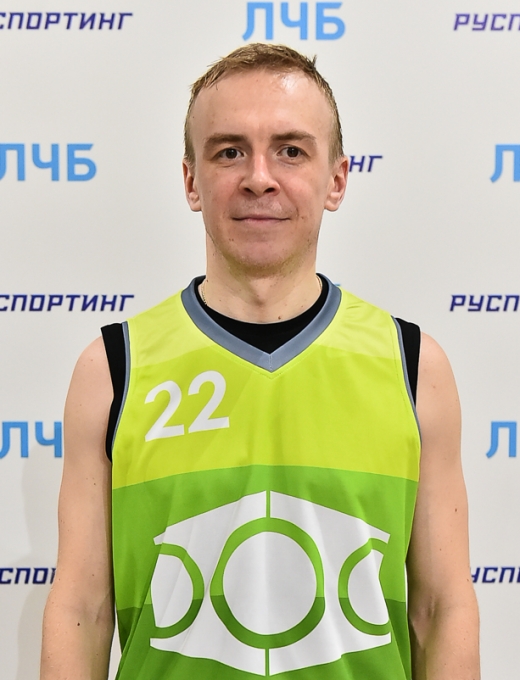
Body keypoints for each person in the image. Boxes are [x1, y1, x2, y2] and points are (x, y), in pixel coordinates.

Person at [40, 43, 480, 680]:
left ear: (337, 180)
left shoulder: (414, 366)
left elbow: (442, 610)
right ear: (191, 181)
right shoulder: (113, 368)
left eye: (291, 150)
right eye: (229, 152)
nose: (259, 177)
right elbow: (81, 608)